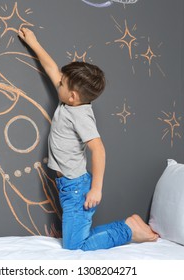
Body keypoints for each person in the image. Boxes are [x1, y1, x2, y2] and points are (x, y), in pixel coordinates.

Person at [18, 27, 158, 251]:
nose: (58, 83)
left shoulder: (81, 115)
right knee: (75, 240)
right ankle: (128, 227)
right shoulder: (70, 100)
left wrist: (96, 189)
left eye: (62, 83)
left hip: (77, 188)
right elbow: (52, 68)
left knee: (74, 246)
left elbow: (99, 150)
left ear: (72, 95)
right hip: (68, 185)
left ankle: (128, 229)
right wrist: (33, 43)